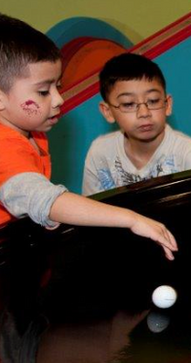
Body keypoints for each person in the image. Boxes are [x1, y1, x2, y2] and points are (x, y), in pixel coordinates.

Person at [0, 14, 177, 260]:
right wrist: (130, 219)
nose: (58, 100)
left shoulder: (32, 133)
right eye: (43, 91)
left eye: (57, 87)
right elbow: (46, 201)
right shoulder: (4, 147)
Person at [83, 53, 191, 196]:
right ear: (108, 111)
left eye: (153, 101)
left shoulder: (190, 156)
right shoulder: (100, 154)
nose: (144, 113)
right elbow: (91, 214)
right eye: (128, 104)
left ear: (167, 104)